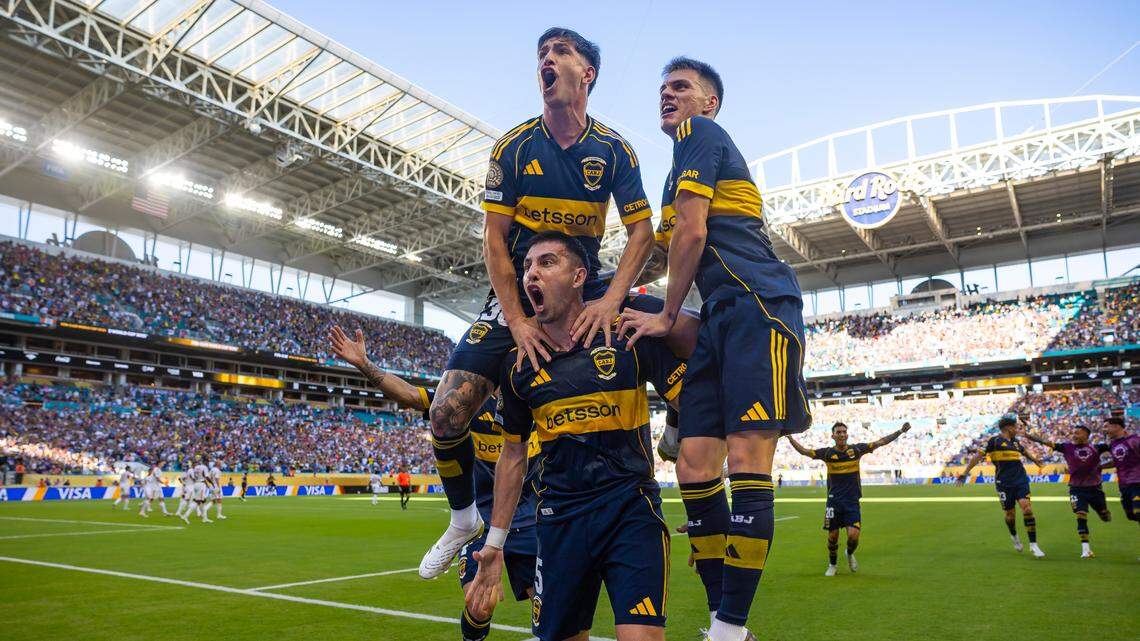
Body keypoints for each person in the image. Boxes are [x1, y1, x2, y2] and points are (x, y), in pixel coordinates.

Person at [419, 26, 671, 580]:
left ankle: (675, 423)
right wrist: (516, 319)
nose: (547, 61)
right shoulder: (513, 148)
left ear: (588, 74)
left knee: (671, 324)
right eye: (542, 54)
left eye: (561, 52)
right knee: (445, 414)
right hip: (518, 299)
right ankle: (464, 518)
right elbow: (493, 242)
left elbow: (642, 233)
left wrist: (606, 302)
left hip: (585, 291)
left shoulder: (612, 151)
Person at [618, 57, 811, 641]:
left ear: (710, 103)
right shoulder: (677, 167)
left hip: (759, 309)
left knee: (749, 463)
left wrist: (667, 315)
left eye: (681, 87)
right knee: (695, 466)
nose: (667, 95)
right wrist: (609, 291)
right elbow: (670, 248)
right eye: (662, 88)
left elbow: (695, 235)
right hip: (720, 318)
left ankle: (729, 628)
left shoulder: (702, 135)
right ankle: (722, 622)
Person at [466, 232, 685, 641]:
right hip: (560, 521)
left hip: (630, 511)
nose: (532, 272)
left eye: (547, 262)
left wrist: (705, 499)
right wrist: (494, 544)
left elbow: (693, 405)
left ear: (579, 276)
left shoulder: (627, 336)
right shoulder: (517, 366)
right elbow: (513, 455)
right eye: (528, 266)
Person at [329, 324, 540, 641]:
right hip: (483, 519)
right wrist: (364, 364)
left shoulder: (539, 404)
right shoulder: (466, 400)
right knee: (479, 603)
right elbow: (413, 396)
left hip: (529, 519)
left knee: (549, 605)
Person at [786, 422, 910, 575]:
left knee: (853, 536)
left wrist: (900, 431)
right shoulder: (827, 453)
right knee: (832, 536)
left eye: (844, 431)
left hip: (852, 501)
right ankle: (833, 565)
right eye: (838, 432)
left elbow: (881, 442)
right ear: (833, 436)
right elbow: (805, 451)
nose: (842, 434)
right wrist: (789, 438)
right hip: (833, 501)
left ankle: (849, 553)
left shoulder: (857, 450)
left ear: (847, 434)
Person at [958, 417, 1046, 557]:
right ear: (1008, 428)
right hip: (1003, 483)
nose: (1017, 430)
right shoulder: (994, 441)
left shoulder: (1016, 443)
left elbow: (1025, 452)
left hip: (1020, 480)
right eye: (1015, 427)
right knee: (1010, 516)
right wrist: (964, 473)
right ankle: (1014, 535)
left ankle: (1033, 545)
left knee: (1027, 508)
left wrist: (1035, 461)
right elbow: (977, 456)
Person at [1024, 424, 1111, 557]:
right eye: (1073, 433)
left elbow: (1116, 447)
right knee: (1081, 515)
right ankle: (1086, 549)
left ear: (1087, 435)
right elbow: (1047, 443)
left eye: (1078, 433)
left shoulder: (1097, 447)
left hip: (1095, 489)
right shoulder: (1067, 447)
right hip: (1076, 489)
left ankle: (1103, 512)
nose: (1074, 435)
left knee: (1105, 516)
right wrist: (1032, 437)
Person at [1103, 416, 1140, 528]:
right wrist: (1100, 467)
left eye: (1106, 426)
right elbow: (1117, 461)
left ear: (1116, 426)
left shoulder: (1134, 440)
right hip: (1124, 485)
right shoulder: (1113, 444)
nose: (1104, 430)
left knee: (1138, 512)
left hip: (1137, 482)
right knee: (1131, 515)